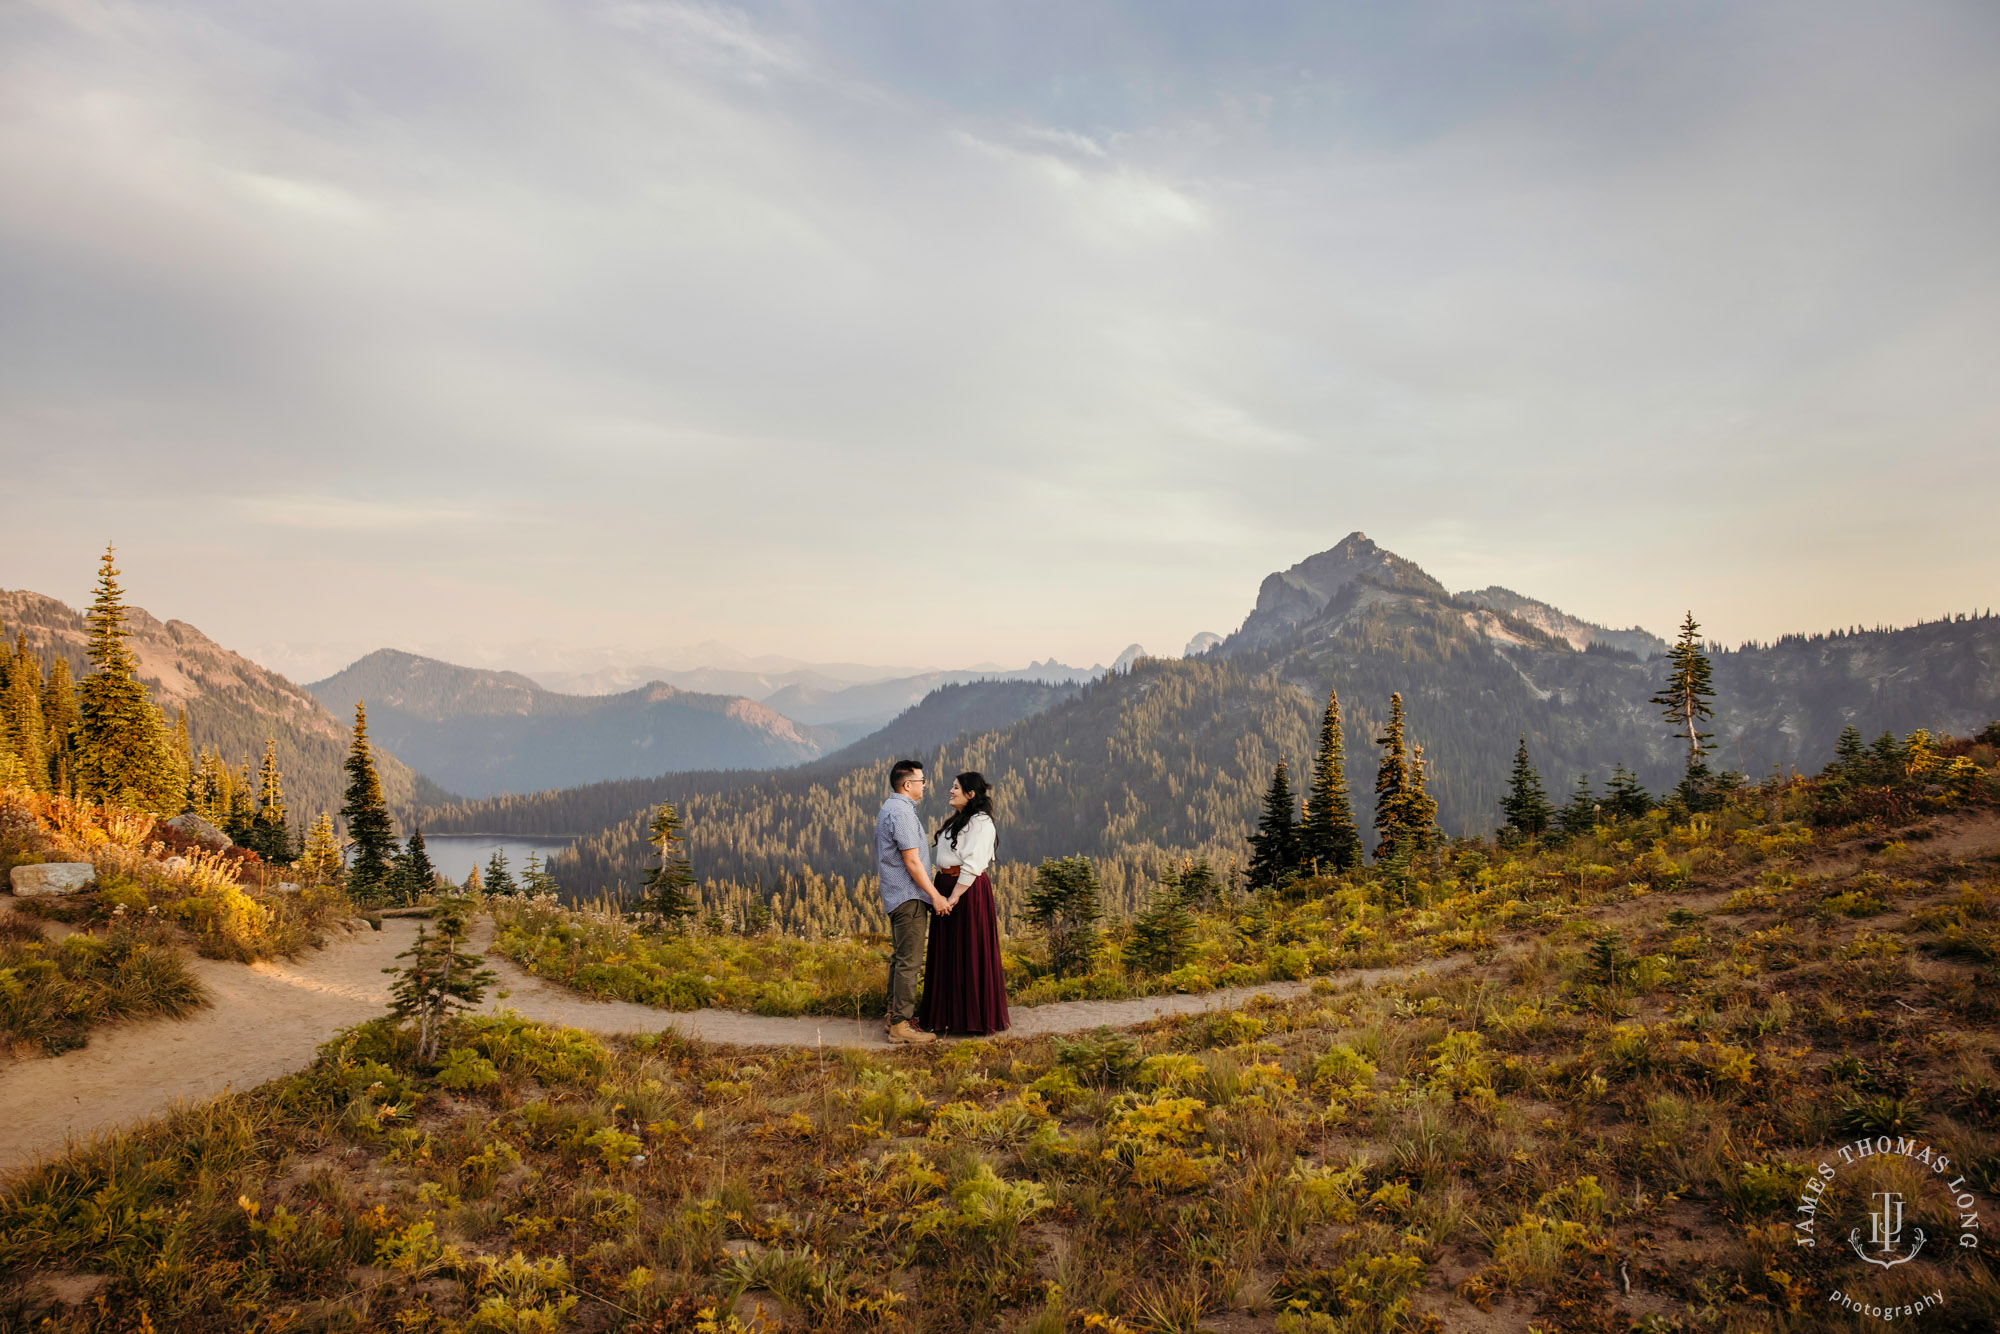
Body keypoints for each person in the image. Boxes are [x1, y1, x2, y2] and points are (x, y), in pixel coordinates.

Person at [918, 771, 1010, 1035]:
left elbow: (973, 865)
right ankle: (948, 1016)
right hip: (948, 887)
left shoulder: (981, 824)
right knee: (950, 951)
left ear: (971, 794)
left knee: (968, 949)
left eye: (956, 787)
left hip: (965, 890)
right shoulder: (960, 820)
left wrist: (953, 897)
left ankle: (972, 1018)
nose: (951, 790)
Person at [874, 758, 950, 1044]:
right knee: (909, 961)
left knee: (899, 958)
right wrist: (935, 895)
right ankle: (900, 1026)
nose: (924, 785)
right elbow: (912, 861)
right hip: (909, 897)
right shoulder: (902, 813)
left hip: (898, 896)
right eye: (921, 781)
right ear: (907, 785)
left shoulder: (890, 808)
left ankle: (893, 1016)